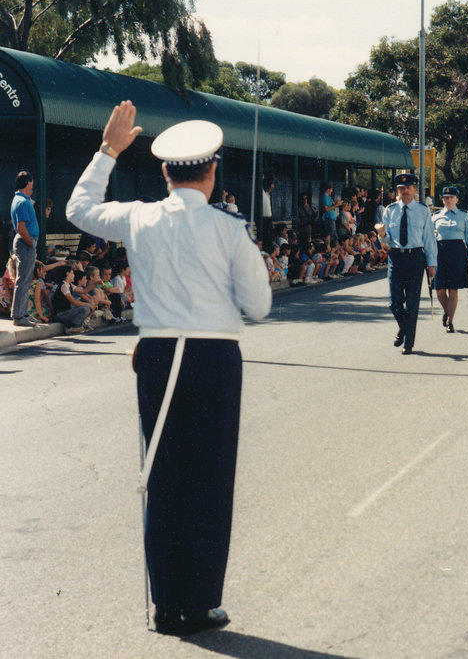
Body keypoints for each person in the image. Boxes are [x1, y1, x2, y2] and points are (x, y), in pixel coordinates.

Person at [65, 101, 272, 636]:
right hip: (213, 356)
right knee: (208, 481)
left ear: (164, 171)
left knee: (162, 475)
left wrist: (109, 150)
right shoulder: (229, 228)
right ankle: (199, 603)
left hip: (156, 352)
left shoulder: (138, 216)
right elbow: (259, 306)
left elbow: (79, 209)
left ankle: (165, 605)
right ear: (211, 171)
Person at [380, 172, 437, 355]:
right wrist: (382, 236)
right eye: (401, 188)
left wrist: (431, 264)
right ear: (397, 190)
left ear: (414, 190)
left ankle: (408, 343)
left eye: (408, 188)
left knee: (412, 303)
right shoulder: (390, 210)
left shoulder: (422, 210)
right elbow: (386, 240)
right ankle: (404, 328)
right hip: (396, 258)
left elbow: (429, 239)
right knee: (394, 303)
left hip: (415, 258)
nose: (405, 191)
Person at [431, 185, 468, 333]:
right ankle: (447, 311)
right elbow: (430, 238)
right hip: (440, 253)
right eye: (446, 198)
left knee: (453, 288)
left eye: (451, 197)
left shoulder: (463, 215)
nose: (449, 200)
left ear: (457, 199)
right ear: (442, 200)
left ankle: (450, 321)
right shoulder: (436, 216)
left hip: (457, 253)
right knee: (439, 289)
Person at [9, 170, 40, 326]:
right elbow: (21, 227)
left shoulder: (20, 200)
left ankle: (23, 313)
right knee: (23, 279)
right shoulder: (23, 202)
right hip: (25, 242)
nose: (32, 187)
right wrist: (30, 243)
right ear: (28, 184)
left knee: (26, 279)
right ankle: (18, 316)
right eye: (32, 184)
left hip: (25, 242)